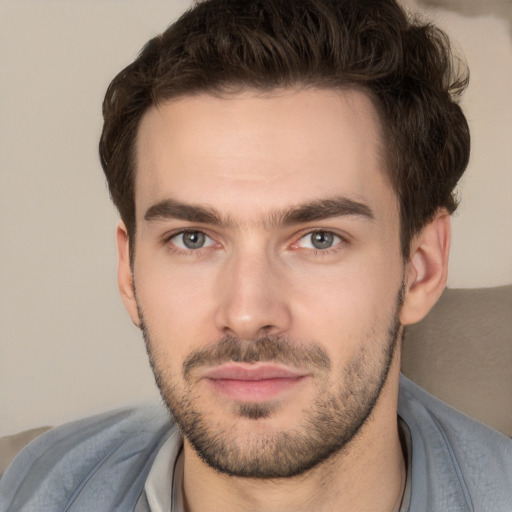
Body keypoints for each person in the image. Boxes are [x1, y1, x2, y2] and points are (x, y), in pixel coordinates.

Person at [1, 0, 511, 510]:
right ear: (130, 274)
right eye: (193, 239)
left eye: (319, 239)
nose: (246, 314)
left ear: (421, 267)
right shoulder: (38, 483)